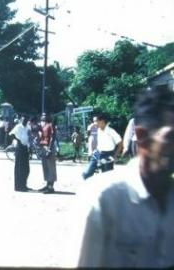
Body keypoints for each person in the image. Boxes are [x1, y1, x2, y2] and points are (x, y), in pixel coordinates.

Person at [71, 86, 174, 268]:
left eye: (98, 121)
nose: (96, 124)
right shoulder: (103, 199)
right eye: (171, 137)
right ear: (142, 137)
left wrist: (115, 155)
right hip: (99, 156)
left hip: (106, 156)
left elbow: (119, 143)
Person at [82, 114, 123, 180]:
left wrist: (115, 156)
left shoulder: (111, 131)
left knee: (106, 177)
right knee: (86, 174)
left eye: (97, 121)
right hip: (97, 153)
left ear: (102, 121)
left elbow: (120, 144)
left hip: (107, 155)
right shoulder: (98, 130)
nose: (95, 123)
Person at [9, 116, 31, 192]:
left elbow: (28, 137)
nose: (25, 121)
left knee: (26, 168)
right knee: (19, 168)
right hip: (20, 147)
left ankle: (24, 184)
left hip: (25, 148)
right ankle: (19, 186)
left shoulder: (27, 127)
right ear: (21, 120)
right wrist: (15, 142)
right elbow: (11, 134)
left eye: (27, 119)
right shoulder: (18, 126)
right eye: (24, 119)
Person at [38, 113, 57, 193]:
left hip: (49, 147)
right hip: (43, 146)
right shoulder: (43, 125)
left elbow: (53, 137)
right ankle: (47, 184)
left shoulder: (50, 125)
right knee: (45, 167)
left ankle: (51, 187)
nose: (43, 116)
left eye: (45, 115)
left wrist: (49, 149)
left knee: (50, 167)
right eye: (42, 115)